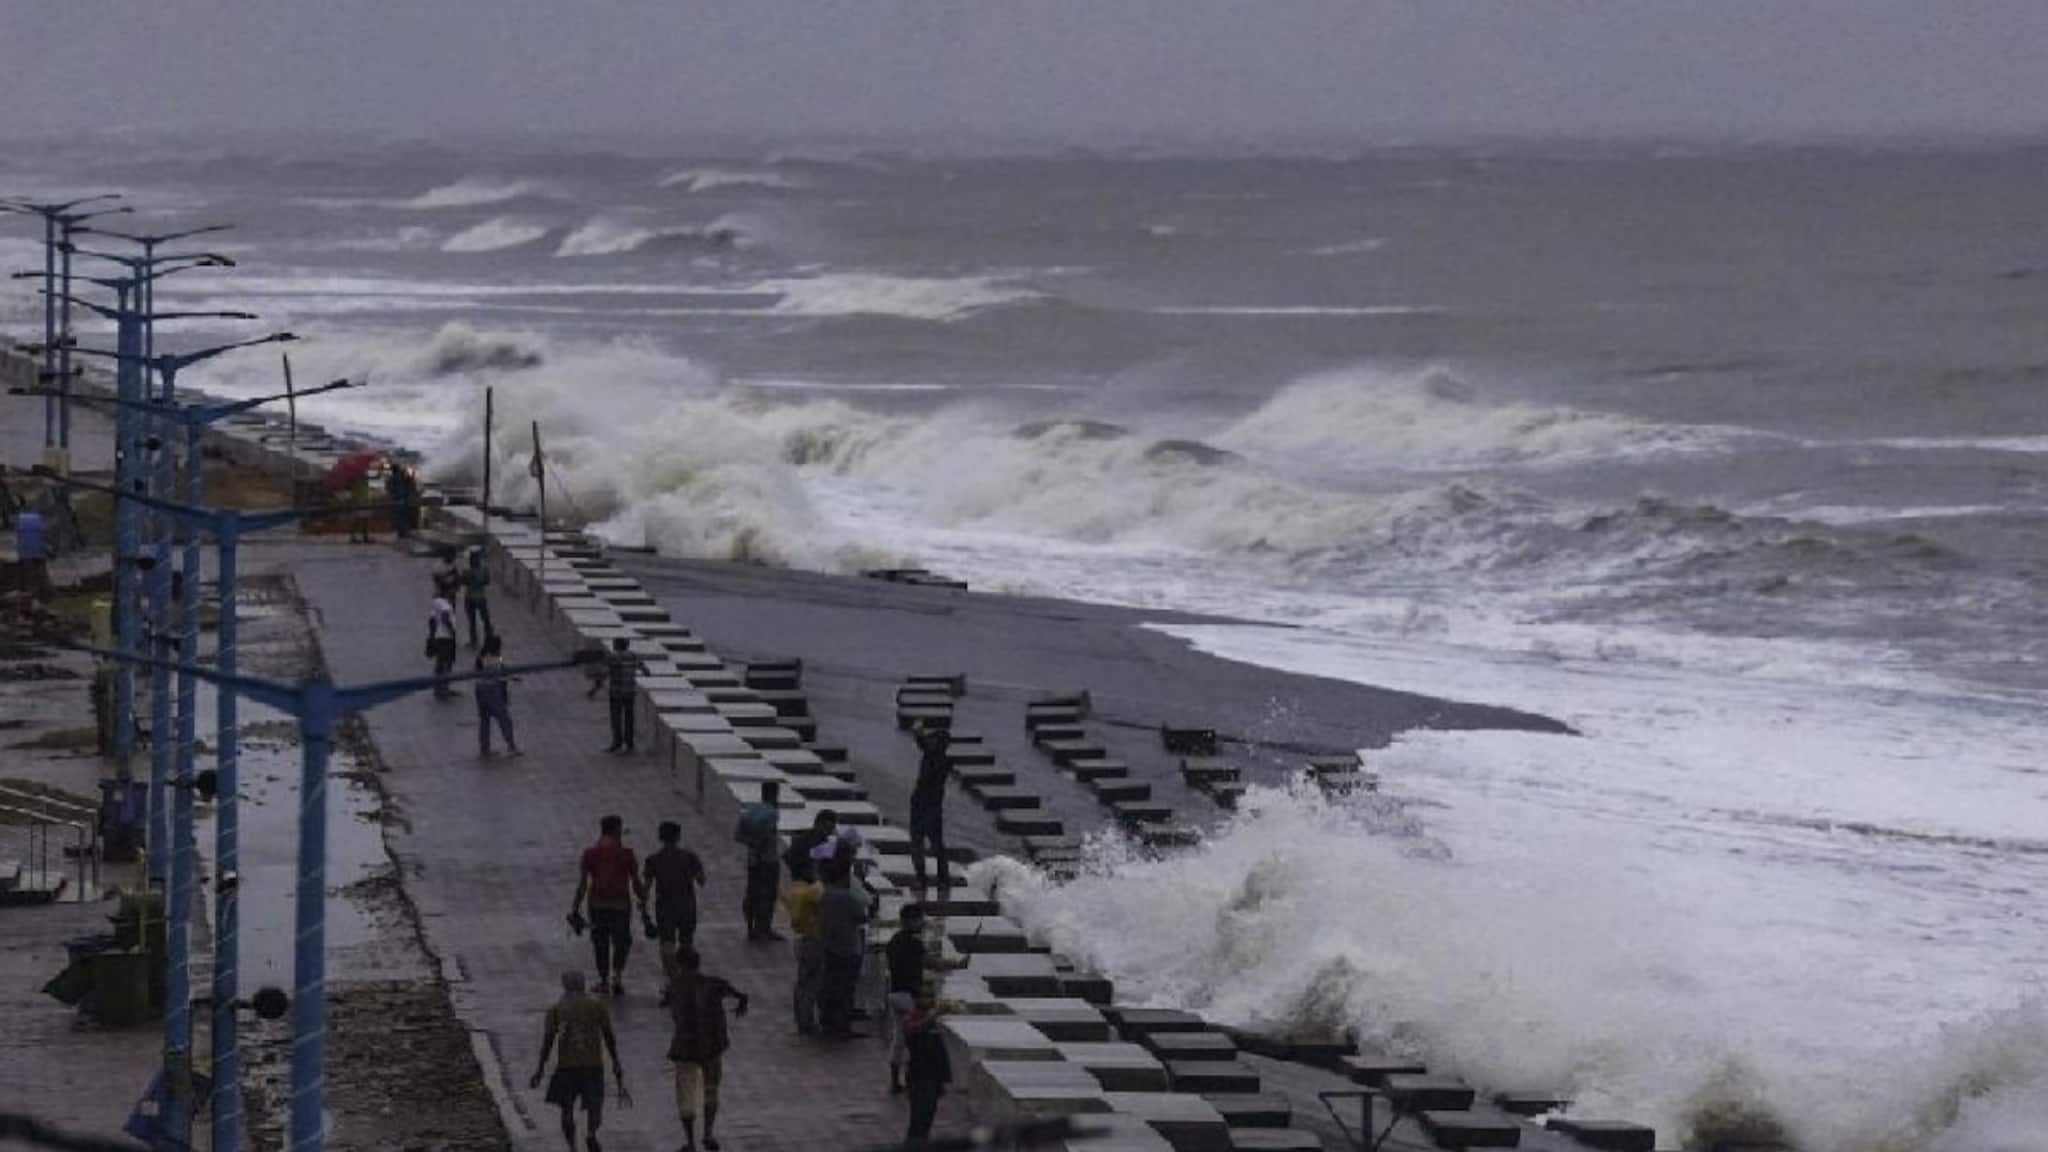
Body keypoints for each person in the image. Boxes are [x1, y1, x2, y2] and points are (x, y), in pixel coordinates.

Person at [530, 969, 629, 1152]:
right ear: (583, 984)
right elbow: (608, 1035)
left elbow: (548, 1041)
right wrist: (616, 1061)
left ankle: (572, 1147)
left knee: (566, 1109)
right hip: (592, 1065)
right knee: (594, 1106)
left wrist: (539, 1069)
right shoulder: (596, 1006)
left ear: (564, 985)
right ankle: (591, 1134)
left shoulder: (556, 1010)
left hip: (567, 1067)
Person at [666, 947, 748, 1152]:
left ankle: (690, 1142)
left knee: (686, 1093)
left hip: (684, 1047)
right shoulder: (712, 983)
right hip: (712, 1045)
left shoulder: (675, 985)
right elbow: (740, 995)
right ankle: (708, 1134)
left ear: (680, 964)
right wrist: (741, 1005)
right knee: (711, 1091)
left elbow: (669, 1003)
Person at [571, 815, 648, 995]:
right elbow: (636, 881)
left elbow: (583, 884)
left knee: (600, 943)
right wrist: (643, 898)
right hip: (620, 905)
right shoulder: (626, 854)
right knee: (622, 941)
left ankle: (604, 980)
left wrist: (575, 907)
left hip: (597, 905)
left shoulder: (590, 853)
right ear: (615, 830)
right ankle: (618, 977)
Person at [642, 820, 707, 998]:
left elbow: (645, 888)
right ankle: (688, 979)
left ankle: (673, 980)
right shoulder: (689, 857)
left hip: (664, 906)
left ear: (660, 837)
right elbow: (701, 881)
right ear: (678, 836)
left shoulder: (653, 859)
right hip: (686, 905)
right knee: (687, 941)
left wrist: (643, 909)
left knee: (667, 943)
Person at [816, 857, 872, 1038]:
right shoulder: (845, 897)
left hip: (830, 945)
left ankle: (829, 1023)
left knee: (831, 986)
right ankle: (842, 1026)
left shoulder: (825, 895)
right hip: (846, 947)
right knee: (845, 987)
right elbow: (863, 916)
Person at [884, 904, 930, 1094]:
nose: (923, 923)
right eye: (920, 919)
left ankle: (895, 1081)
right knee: (916, 1040)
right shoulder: (915, 944)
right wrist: (956, 964)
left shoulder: (894, 941)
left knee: (899, 1038)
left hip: (894, 993)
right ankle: (913, 1081)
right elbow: (927, 964)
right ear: (910, 921)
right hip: (909, 997)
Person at [732, 781, 782, 941]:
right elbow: (768, 835)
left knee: (752, 893)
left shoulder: (750, 811)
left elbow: (738, 836)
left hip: (752, 860)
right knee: (768, 894)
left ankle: (751, 928)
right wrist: (761, 846)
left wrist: (752, 844)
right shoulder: (773, 813)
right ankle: (764, 928)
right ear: (774, 795)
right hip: (768, 860)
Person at [902, 989, 952, 1147]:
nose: (929, 999)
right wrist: (933, 1015)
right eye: (925, 996)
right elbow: (913, 1030)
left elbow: (940, 1052)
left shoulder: (932, 1022)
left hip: (934, 1076)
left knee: (929, 1116)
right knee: (918, 1117)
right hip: (919, 1076)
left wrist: (944, 1079)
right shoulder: (911, 1017)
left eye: (931, 995)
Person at [909, 721, 953, 891]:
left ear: (940, 744)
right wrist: (918, 731)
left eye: (934, 739)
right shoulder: (937, 756)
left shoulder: (939, 759)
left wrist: (919, 731)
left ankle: (931, 879)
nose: (931, 741)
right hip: (925, 806)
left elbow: (922, 741)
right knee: (928, 845)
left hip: (928, 807)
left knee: (929, 844)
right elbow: (921, 741)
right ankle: (935, 879)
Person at [782, 863, 824, 1035]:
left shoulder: (794, 891)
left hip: (799, 939)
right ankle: (807, 1022)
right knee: (811, 984)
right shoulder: (811, 893)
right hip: (813, 940)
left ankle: (801, 1020)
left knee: (801, 983)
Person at [587, 637, 639, 754]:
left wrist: (594, 690)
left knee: (616, 718)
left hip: (617, 692)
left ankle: (617, 743)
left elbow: (604, 673)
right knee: (629, 718)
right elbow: (644, 669)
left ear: (617, 646)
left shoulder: (613, 657)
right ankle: (630, 743)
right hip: (630, 691)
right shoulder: (633, 655)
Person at [474, 634, 520, 757]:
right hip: (492, 690)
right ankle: (511, 746)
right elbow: (500, 675)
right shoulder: (493, 657)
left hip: (479, 690)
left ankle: (484, 749)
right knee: (504, 718)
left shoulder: (481, 656)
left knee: (485, 720)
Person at [781, 808, 838, 885]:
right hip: (798, 881)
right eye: (826, 826)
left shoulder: (822, 841)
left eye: (831, 827)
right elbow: (812, 867)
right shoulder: (808, 840)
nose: (831, 829)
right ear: (818, 823)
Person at [426, 595, 460, 699]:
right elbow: (445, 618)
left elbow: (431, 620)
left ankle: (438, 688)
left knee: (440, 663)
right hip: (446, 638)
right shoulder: (446, 605)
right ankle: (444, 689)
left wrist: (432, 636)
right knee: (447, 663)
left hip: (438, 637)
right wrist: (453, 633)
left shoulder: (436, 602)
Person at [13, 507, 47, 602]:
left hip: (25, 554)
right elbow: (42, 536)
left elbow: (18, 537)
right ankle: (37, 594)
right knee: (39, 574)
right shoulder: (37, 519)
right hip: (37, 552)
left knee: (28, 575)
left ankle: (30, 594)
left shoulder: (20, 521)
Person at [463, 547, 494, 647]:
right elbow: (464, 582)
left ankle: (484, 639)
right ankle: (476, 640)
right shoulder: (470, 569)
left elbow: (487, 581)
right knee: (475, 620)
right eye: (472, 558)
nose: (473, 560)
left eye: (474, 558)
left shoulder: (480, 569)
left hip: (476, 597)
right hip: (474, 597)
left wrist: (476, 580)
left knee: (484, 620)